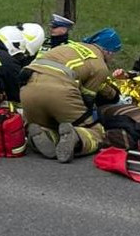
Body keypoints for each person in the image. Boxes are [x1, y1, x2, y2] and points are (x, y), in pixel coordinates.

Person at [21, 28, 122, 163]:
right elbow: (87, 98)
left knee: (53, 124)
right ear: (108, 51)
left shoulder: (67, 47)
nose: (112, 58)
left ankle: (45, 133)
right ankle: (77, 138)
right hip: (60, 92)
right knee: (96, 132)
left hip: (28, 90)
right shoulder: (100, 66)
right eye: (113, 54)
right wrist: (88, 120)